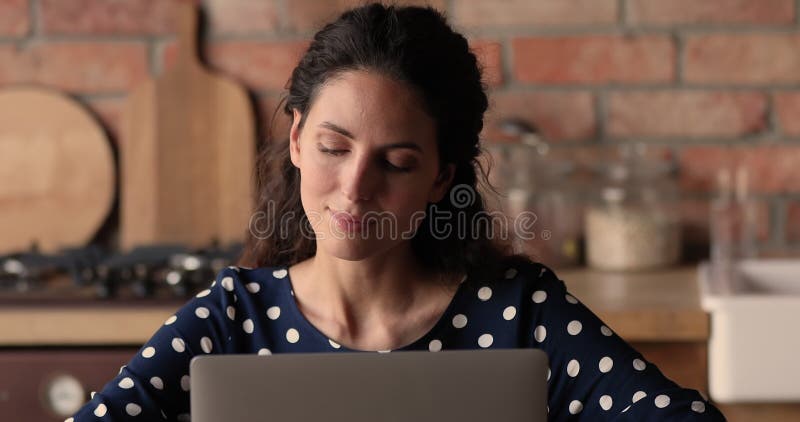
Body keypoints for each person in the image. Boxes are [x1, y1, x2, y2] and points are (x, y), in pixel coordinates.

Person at [71, 3, 725, 421]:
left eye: (398, 162)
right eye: (334, 148)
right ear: (297, 140)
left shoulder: (519, 312)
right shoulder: (234, 315)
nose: (355, 187)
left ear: (441, 177)